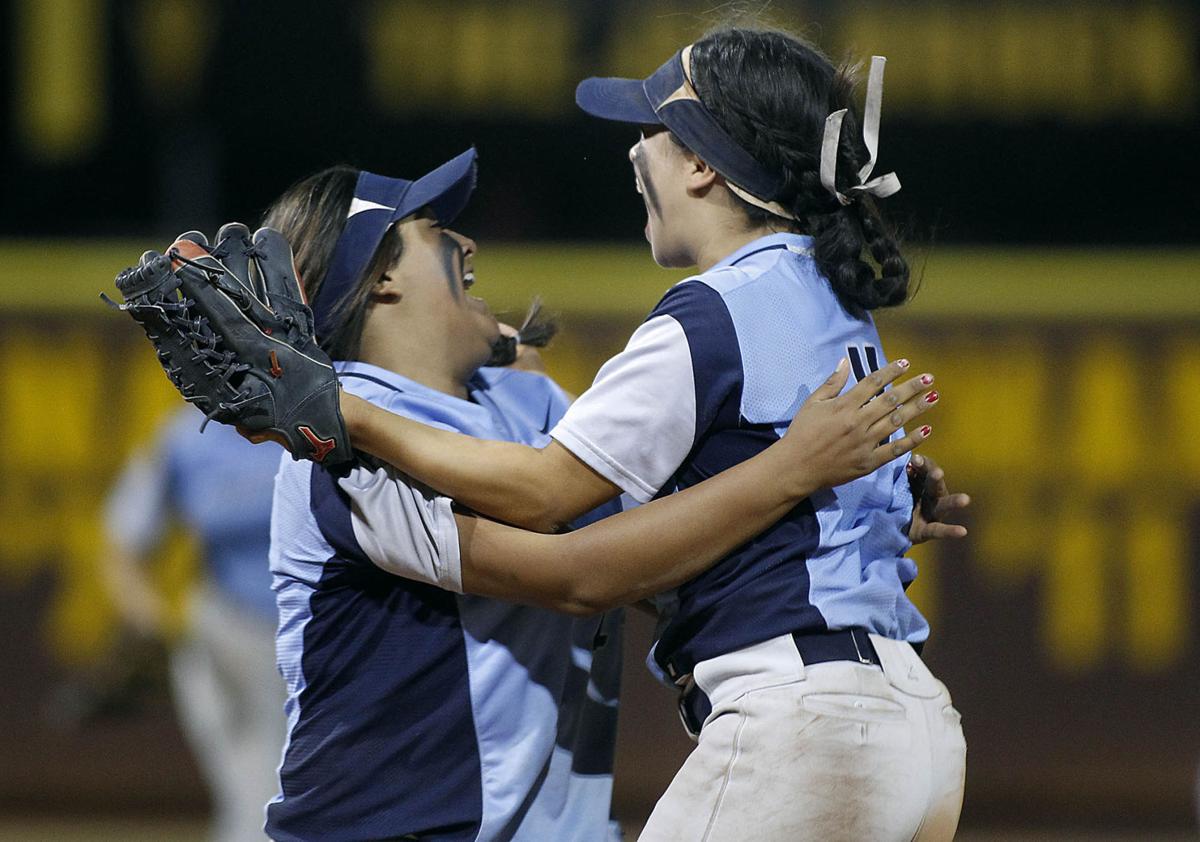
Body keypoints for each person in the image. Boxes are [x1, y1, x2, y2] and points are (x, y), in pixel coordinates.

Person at [322, 26, 969, 842]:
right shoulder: (836, 295)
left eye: (652, 128)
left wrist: (343, 413)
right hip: (917, 729)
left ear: (702, 164)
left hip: (805, 726)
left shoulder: (708, 316)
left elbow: (545, 491)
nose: (635, 151)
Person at [102, 410, 287, 842]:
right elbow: (123, 545)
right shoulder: (185, 439)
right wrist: (150, 625)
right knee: (256, 799)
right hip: (232, 633)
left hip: (330, 640)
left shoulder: (332, 416)